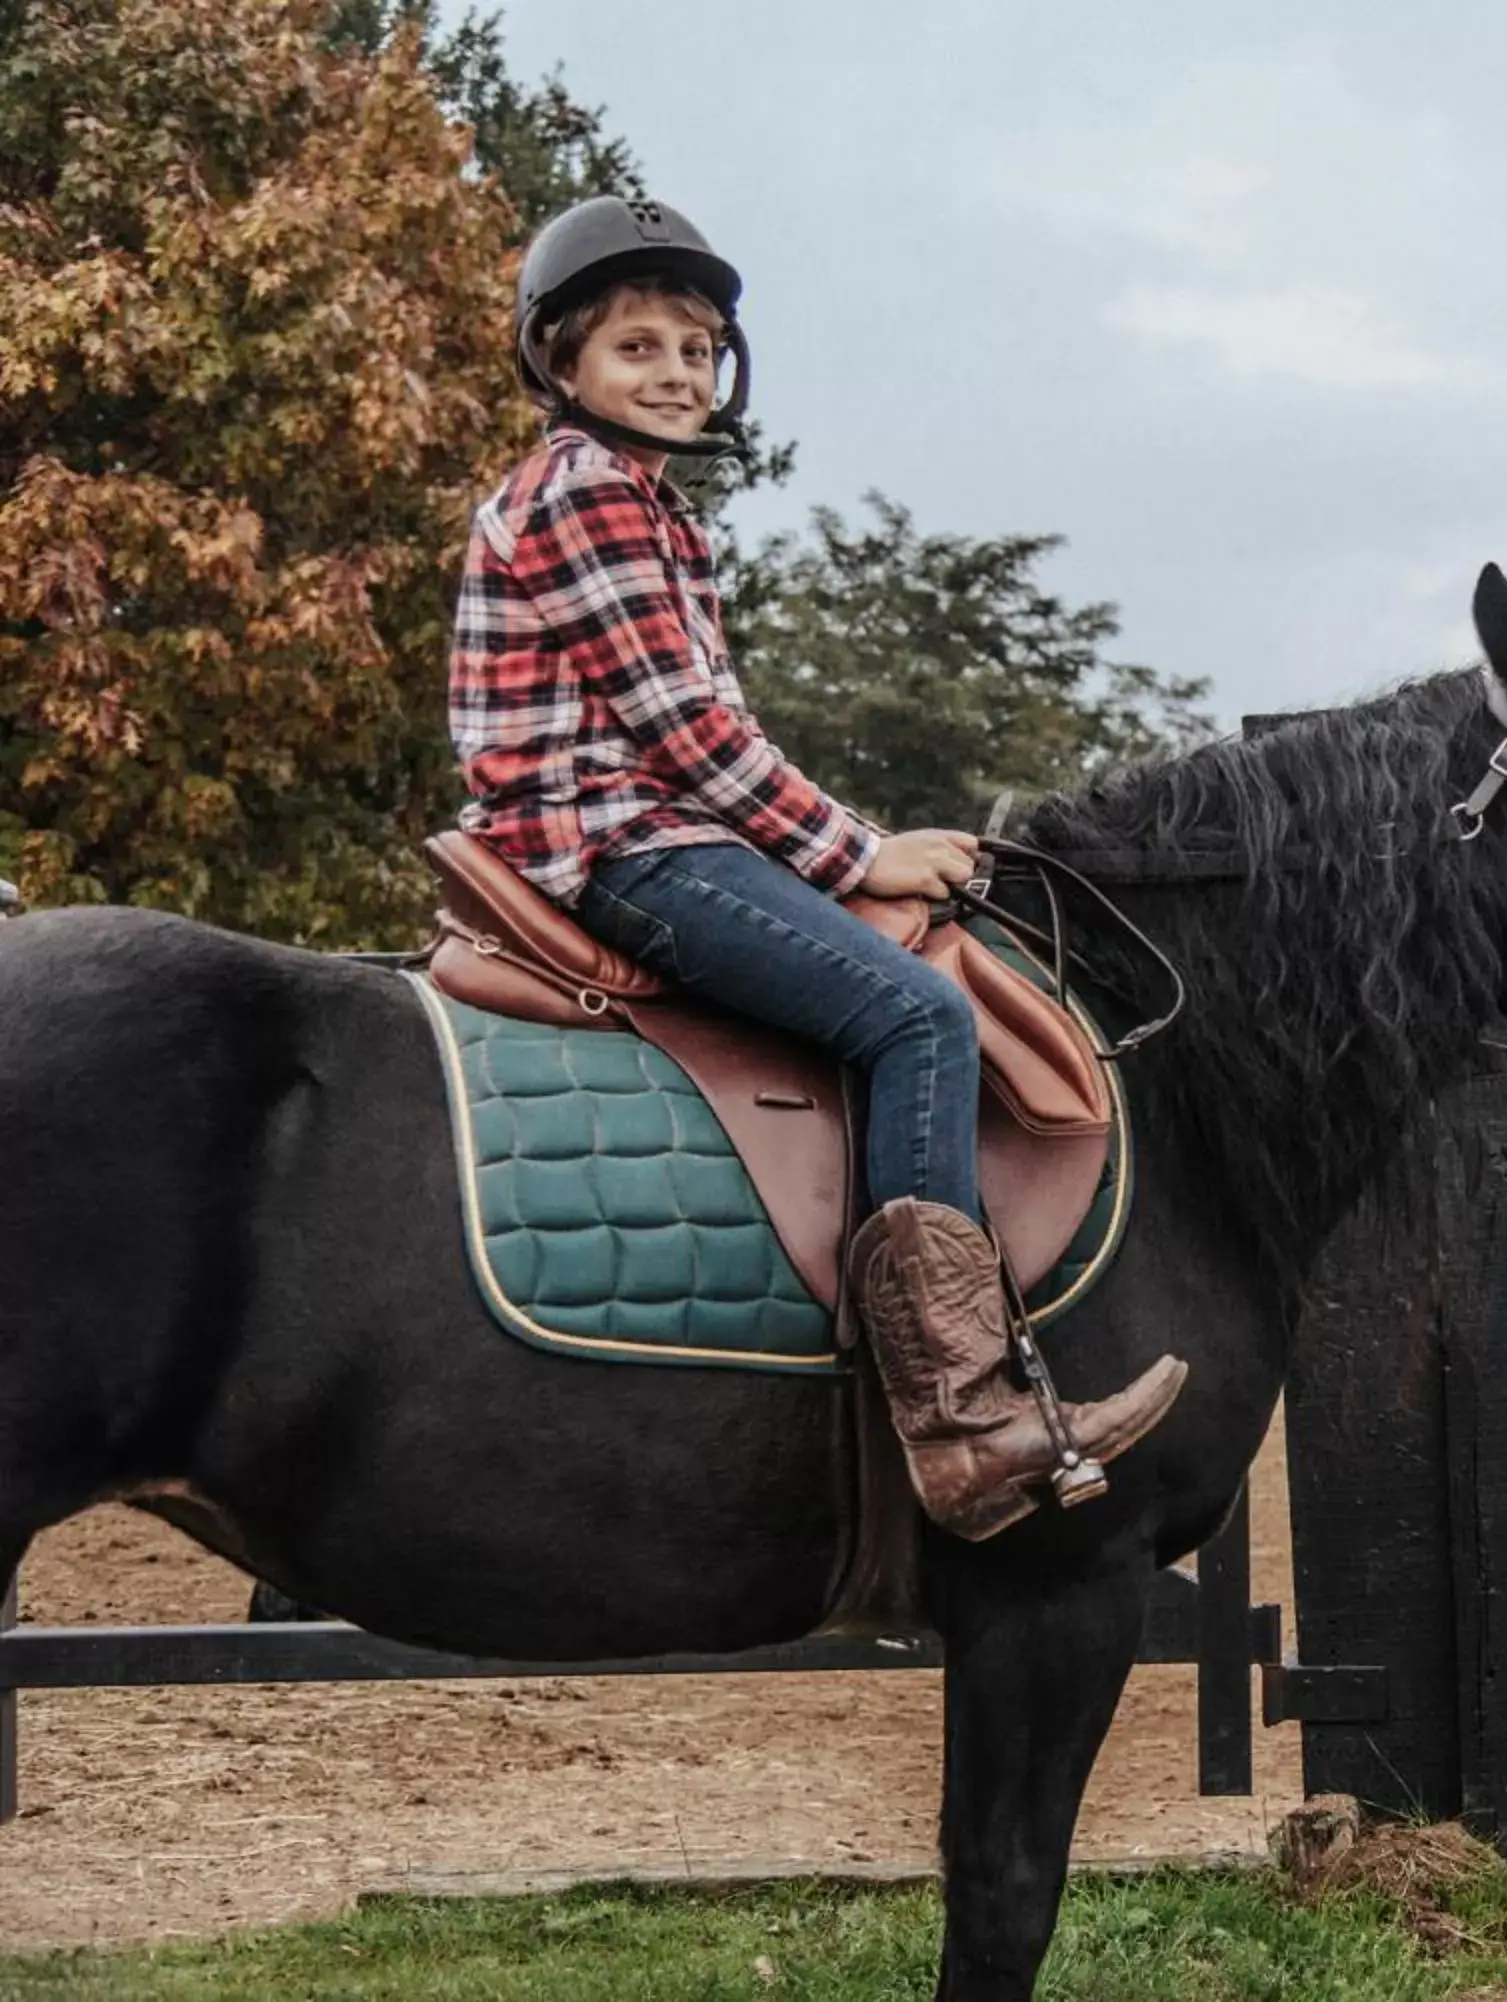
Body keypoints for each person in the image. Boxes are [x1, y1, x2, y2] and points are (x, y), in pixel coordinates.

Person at [446, 194, 1182, 1540]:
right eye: (639, 350)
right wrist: (861, 849)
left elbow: (708, 739)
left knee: (904, 943)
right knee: (916, 1011)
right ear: (562, 365)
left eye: (696, 350)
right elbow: (691, 733)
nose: (675, 374)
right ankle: (961, 1409)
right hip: (611, 841)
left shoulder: (661, 513)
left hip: (672, 829)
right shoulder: (584, 494)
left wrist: (855, 870)